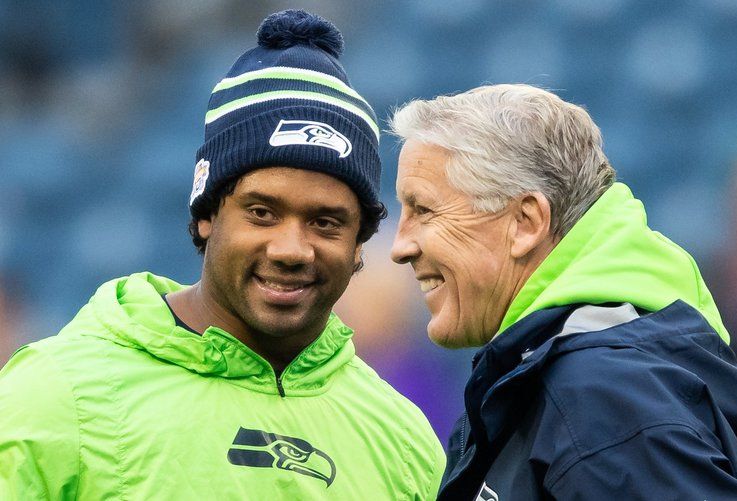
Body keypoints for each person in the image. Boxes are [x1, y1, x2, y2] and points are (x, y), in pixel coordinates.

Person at [0, 10, 445, 500]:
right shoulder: (56, 395)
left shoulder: (405, 443)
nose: (291, 250)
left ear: (360, 242)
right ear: (207, 213)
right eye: (261, 212)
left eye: (325, 222)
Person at [389, 84, 737, 500]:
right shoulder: (572, 380)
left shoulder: (601, 397)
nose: (400, 246)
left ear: (526, 222)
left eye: (423, 210)